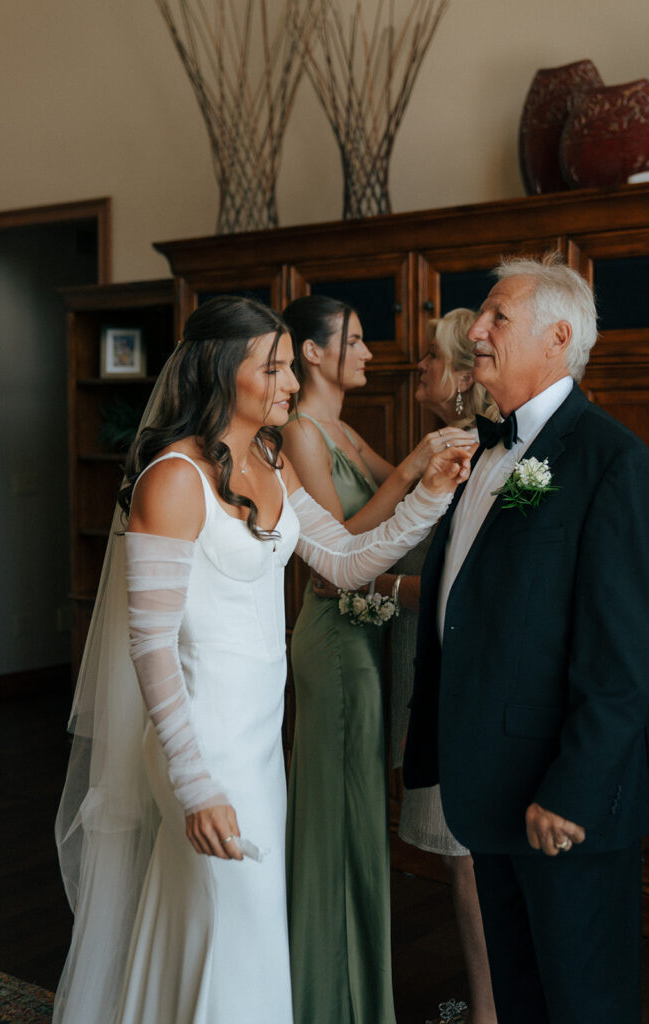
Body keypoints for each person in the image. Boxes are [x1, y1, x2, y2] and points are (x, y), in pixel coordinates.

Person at [52, 295, 473, 1024]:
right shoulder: (173, 480)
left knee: (223, 926)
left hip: (256, 744)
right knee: (230, 921)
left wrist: (430, 497)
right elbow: (149, 645)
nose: (287, 382)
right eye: (272, 367)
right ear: (224, 372)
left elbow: (342, 563)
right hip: (202, 744)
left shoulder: (272, 467)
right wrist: (192, 783)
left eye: (286, 366)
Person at [403, 256, 649, 1023]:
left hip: (557, 800)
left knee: (582, 1001)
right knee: (518, 998)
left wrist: (571, 789)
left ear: (557, 337)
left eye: (495, 317)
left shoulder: (612, 462)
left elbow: (623, 656)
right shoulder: (475, 453)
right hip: (487, 790)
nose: (474, 331)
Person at [280, 294, 473, 1024]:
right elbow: (336, 547)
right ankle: (325, 994)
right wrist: (415, 470)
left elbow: (420, 504)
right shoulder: (301, 431)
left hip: (371, 633)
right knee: (337, 815)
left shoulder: (342, 429)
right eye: (354, 341)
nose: (368, 353)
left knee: (362, 814)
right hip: (336, 638)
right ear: (312, 353)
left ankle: (357, 987)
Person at [376, 309, 498, 1024]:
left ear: (458, 377)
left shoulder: (465, 456)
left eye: (428, 358)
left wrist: (377, 589)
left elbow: (461, 583)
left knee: (467, 861)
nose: (415, 367)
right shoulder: (447, 448)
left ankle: (486, 1012)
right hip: (445, 675)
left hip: (465, 684)